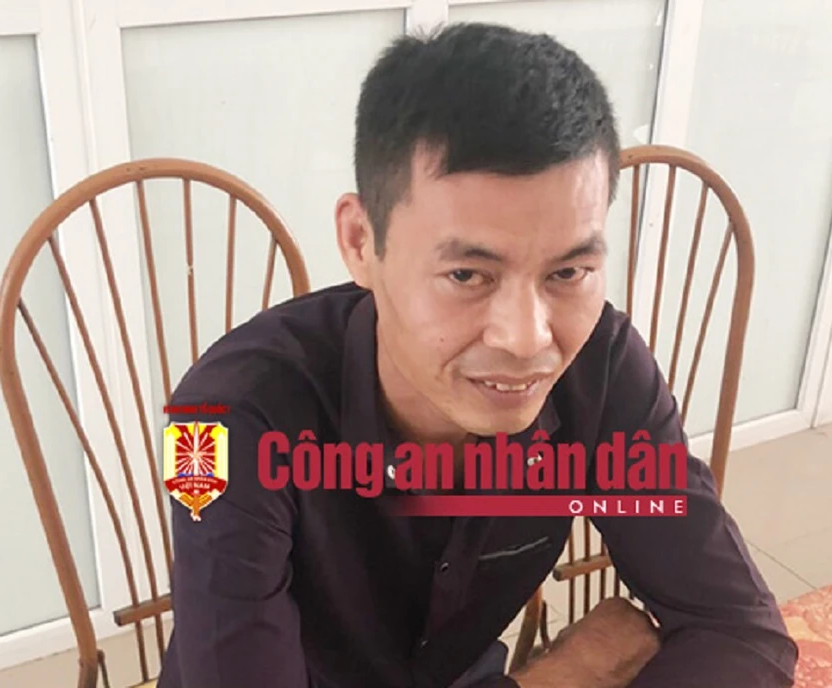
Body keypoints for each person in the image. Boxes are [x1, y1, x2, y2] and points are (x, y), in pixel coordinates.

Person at [157, 22, 798, 688]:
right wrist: (566, 675)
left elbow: (741, 634)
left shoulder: (600, 368)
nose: (526, 340)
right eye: (467, 275)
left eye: (568, 272)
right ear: (360, 242)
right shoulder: (216, 418)